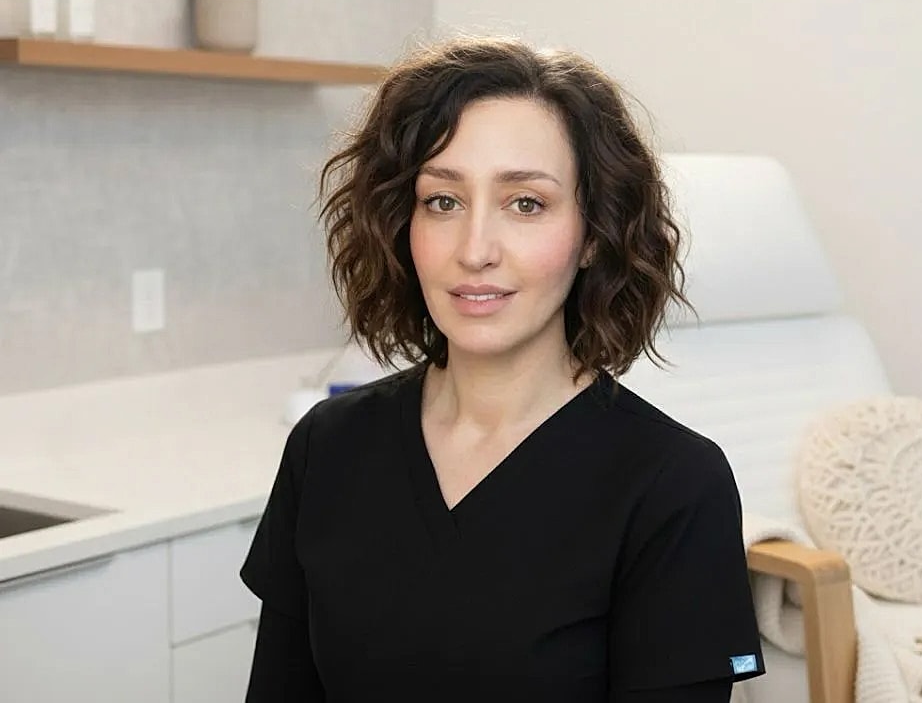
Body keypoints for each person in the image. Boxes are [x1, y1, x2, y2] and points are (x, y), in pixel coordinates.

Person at [241, 35, 764, 702]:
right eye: (443, 201)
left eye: (526, 204)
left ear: (594, 234)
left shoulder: (672, 486)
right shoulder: (328, 446)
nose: (475, 250)